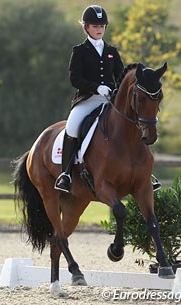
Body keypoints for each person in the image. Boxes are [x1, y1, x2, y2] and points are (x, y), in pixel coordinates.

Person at [54, 5, 124, 193]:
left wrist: (116, 90)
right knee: (72, 126)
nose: (99, 29)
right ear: (86, 27)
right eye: (95, 26)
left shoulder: (111, 51)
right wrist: (96, 87)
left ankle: (144, 172)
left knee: (129, 124)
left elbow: (121, 76)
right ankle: (66, 174)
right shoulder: (80, 51)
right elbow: (74, 78)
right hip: (87, 100)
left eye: (102, 26)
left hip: (109, 101)